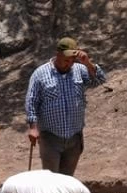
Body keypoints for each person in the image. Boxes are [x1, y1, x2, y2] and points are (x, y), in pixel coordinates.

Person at [25, 36, 107, 176]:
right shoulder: (40, 74)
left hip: (74, 137)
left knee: (67, 181)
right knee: (52, 180)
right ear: (57, 53)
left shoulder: (80, 70)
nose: (68, 64)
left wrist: (87, 63)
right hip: (50, 137)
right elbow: (32, 100)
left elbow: (100, 80)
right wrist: (33, 127)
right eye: (65, 60)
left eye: (71, 61)